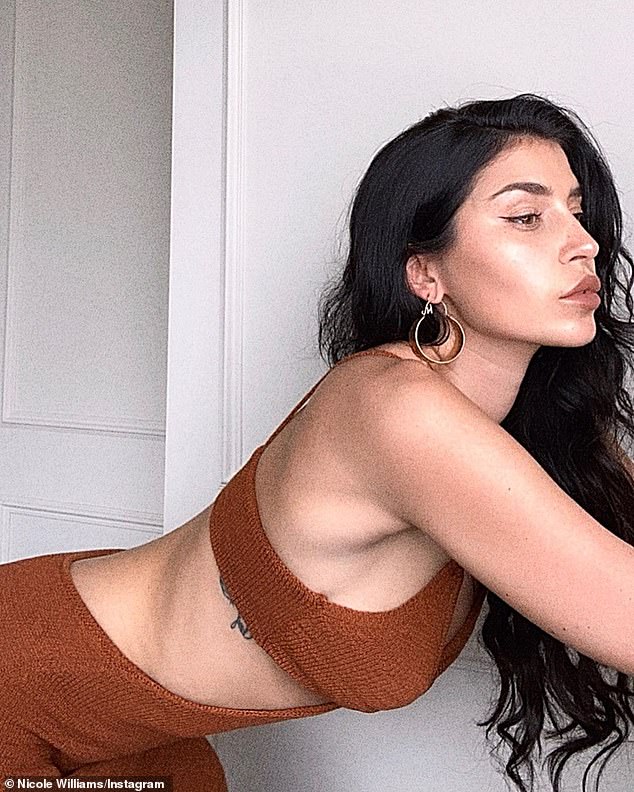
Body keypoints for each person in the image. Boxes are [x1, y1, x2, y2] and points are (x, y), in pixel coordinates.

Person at [1, 92, 633, 792]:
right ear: (425, 273)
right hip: (16, 694)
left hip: (127, 738)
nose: (584, 242)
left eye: (576, 211)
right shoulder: (397, 412)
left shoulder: (512, 429)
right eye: (526, 217)